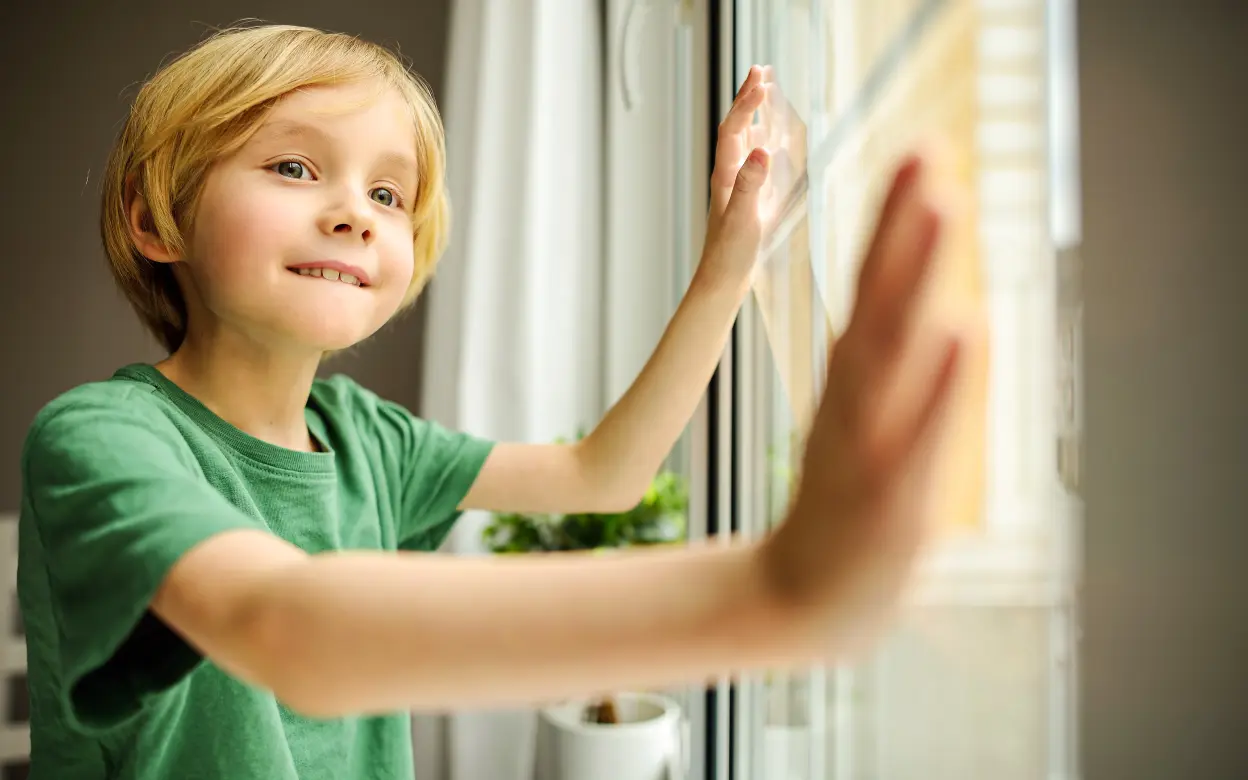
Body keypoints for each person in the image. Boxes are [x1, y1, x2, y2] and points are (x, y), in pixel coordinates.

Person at [17, 22, 975, 780]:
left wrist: (732, 260)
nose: (355, 209)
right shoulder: (99, 438)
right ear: (155, 218)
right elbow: (286, 628)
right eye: (294, 168)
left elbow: (604, 474)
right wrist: (778, 590)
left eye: (389, 194)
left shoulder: (368, 442)